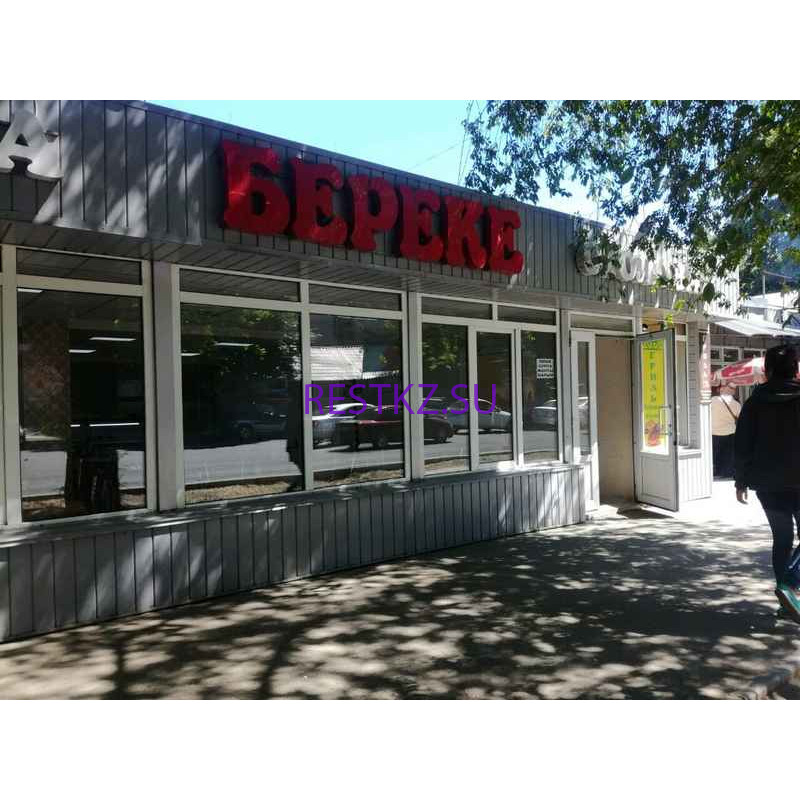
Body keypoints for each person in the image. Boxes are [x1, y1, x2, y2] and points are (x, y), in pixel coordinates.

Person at [734, 344, 800, 621]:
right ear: (796, 369)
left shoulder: (754, 402)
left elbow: (742, 444)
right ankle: (790, 585)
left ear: (767, 370)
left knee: (782, 539)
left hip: (768, 485)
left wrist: (740, 481)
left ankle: (787, 601)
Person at [711, 383, 741, 478]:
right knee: (728, 454)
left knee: (715, 453)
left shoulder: (713, 400)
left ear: (722, 390)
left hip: (714, 432)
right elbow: (740, 418)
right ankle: (727, 472)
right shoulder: (736, 404)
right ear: (733, 391)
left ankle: (716, 472)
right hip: (730, 432)